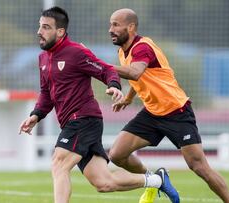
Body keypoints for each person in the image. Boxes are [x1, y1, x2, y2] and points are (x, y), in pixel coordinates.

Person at [19, 6, 179, 203]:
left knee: (59, 163)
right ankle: (156, 180)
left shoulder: (76, 52)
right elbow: (46, 93)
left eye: (45, 27)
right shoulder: (43, 58)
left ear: (60, 32)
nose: (39, 32)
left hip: (83, 119)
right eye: (39, 27)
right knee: (104, 183)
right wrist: (36, 115)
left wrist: (114, 85)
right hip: (77, 123)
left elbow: (106, 70)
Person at [107, 8, 229, 203]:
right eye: (111, 24)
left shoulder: (142, 47)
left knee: (198, 166)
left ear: (131, 27)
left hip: (177, 111)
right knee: (117, 154)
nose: (111, 29)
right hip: (152, 112)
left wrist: (98, 64)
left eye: (116, 24)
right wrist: (129, 98)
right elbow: (139, 77)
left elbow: (134, 73)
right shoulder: (122, 51)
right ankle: (156, 180)